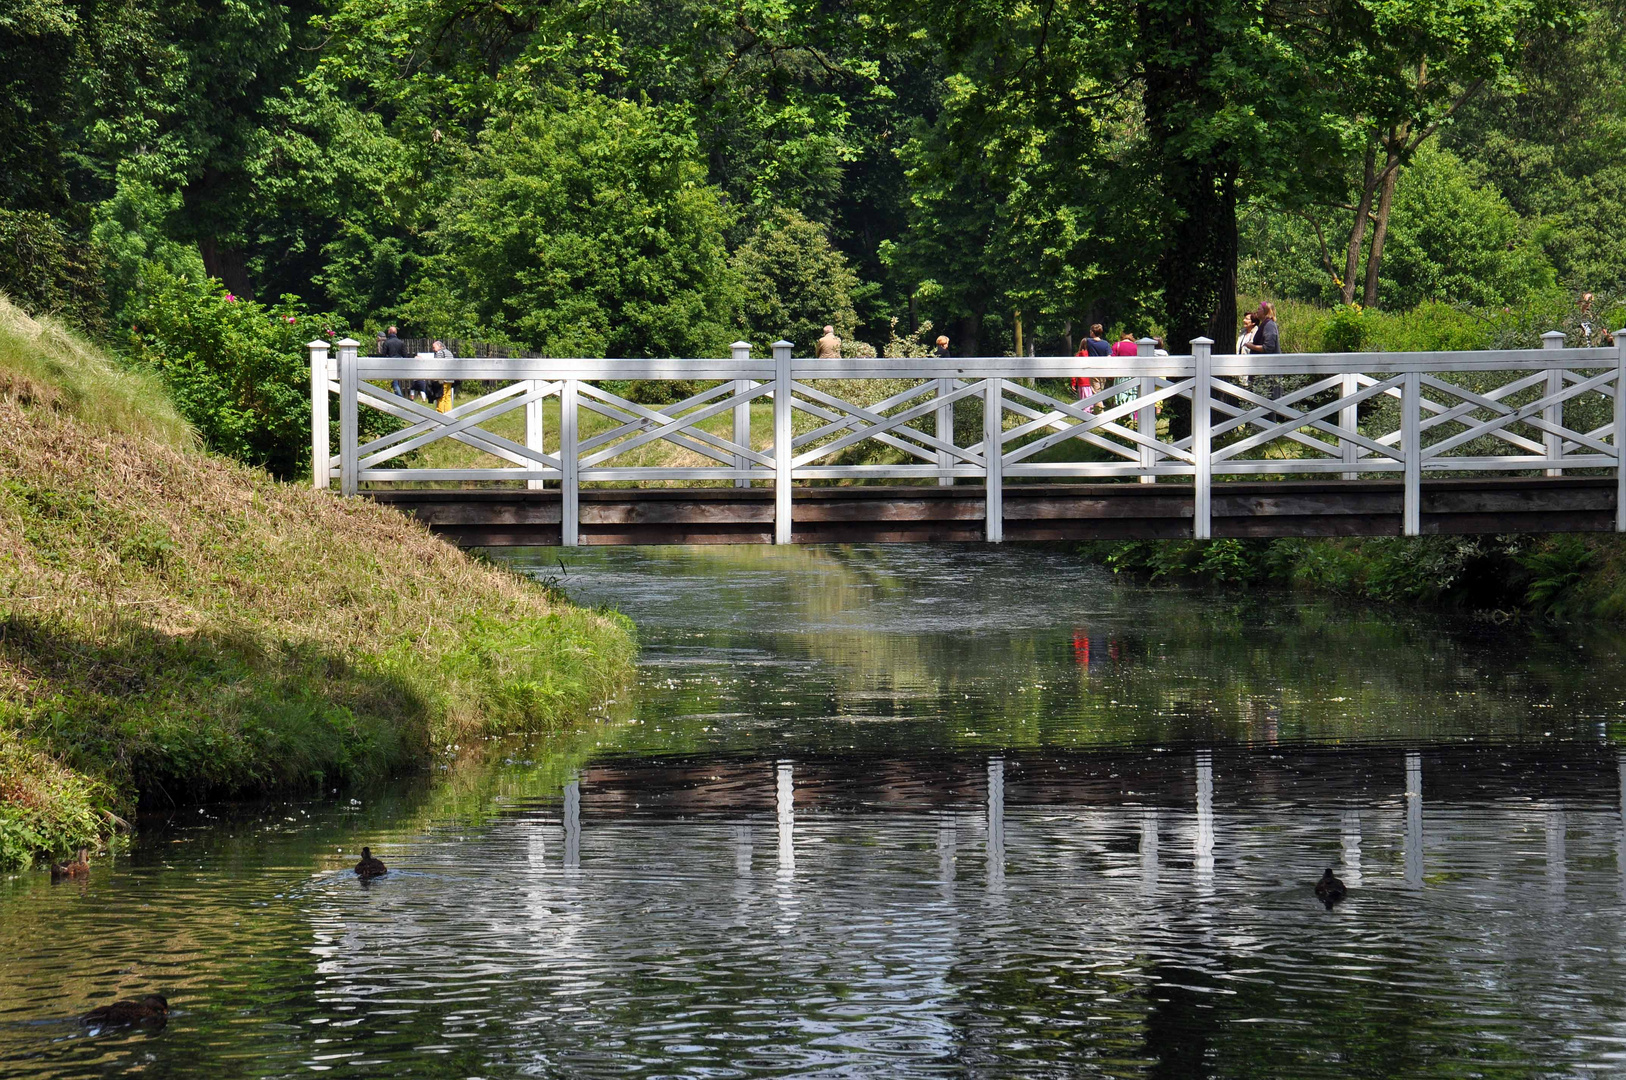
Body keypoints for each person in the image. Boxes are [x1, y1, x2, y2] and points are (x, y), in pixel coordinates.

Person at [432, 340, 455, 412]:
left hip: (443, 378)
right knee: (448, 396)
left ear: (439, 346)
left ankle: (440, 412)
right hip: (450, 378)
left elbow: (437, 364)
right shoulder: (449, 352)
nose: (433, 349)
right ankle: (449, 412)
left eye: (434, 347)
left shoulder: (440, 352)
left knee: (441, 396)